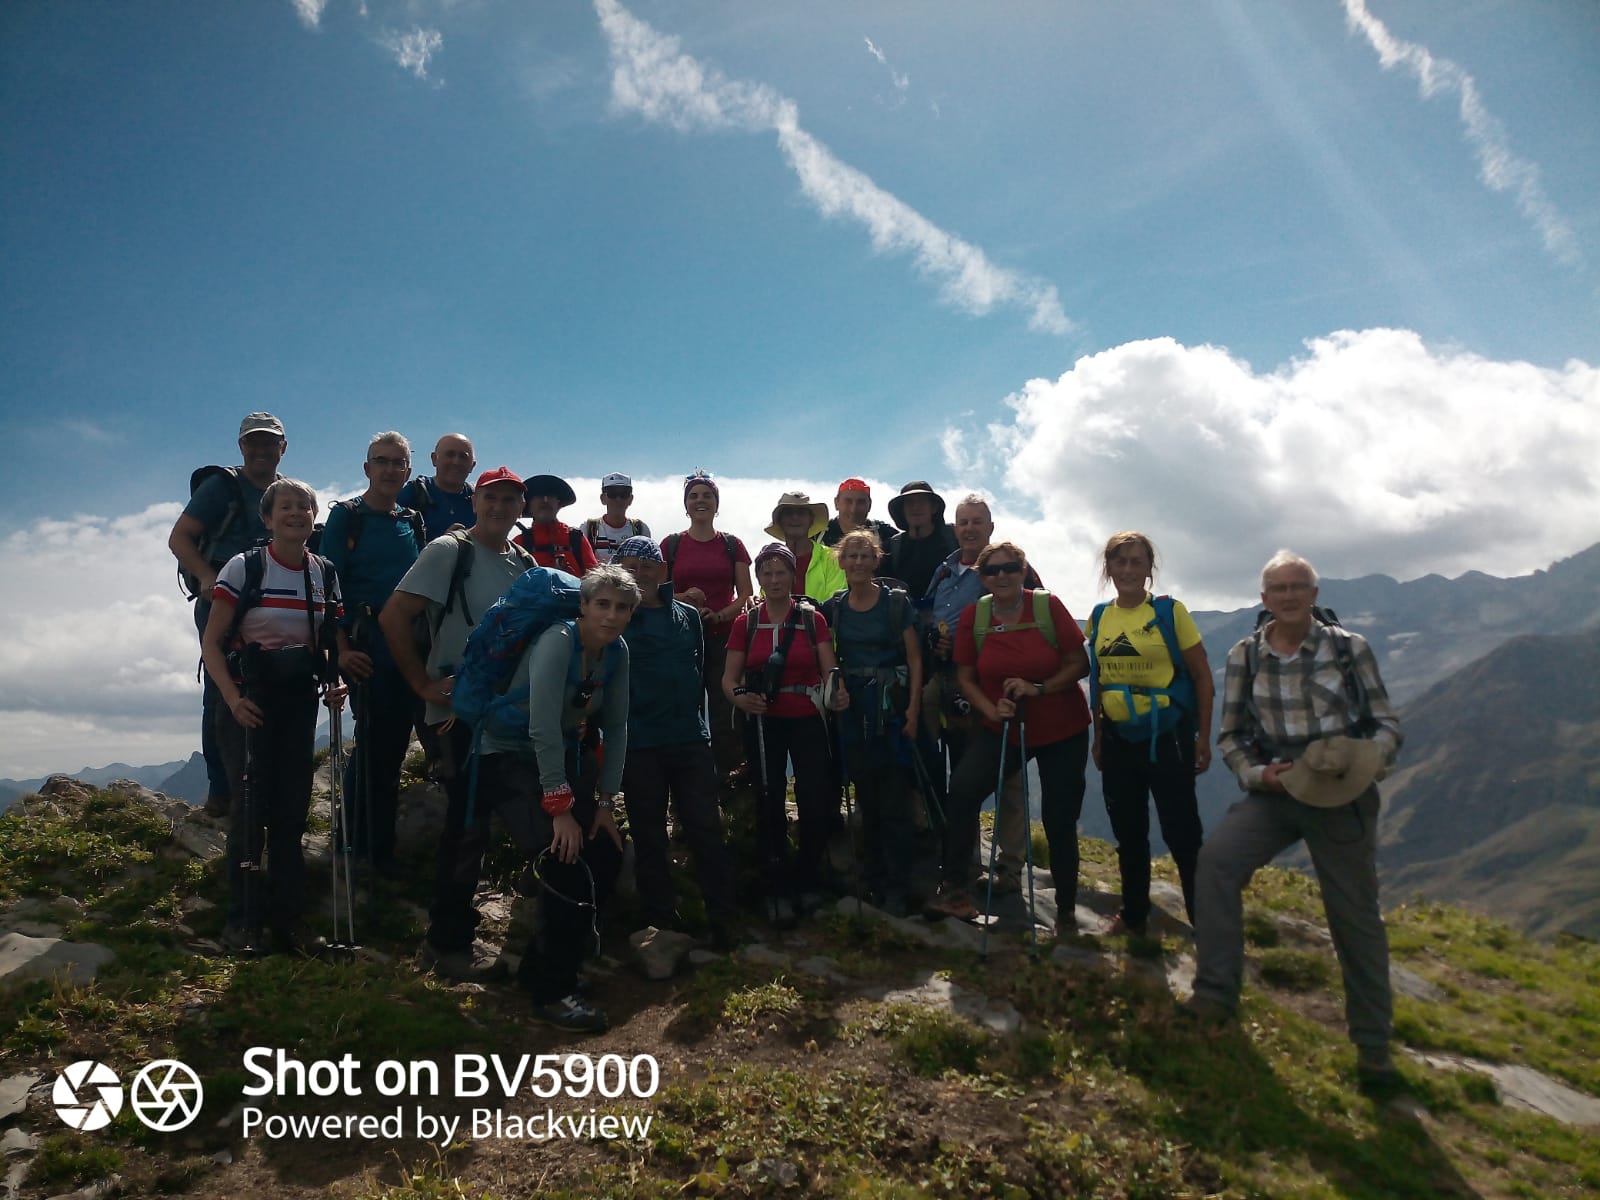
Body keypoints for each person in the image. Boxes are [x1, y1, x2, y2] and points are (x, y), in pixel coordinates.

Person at [1190, 551, 1404, 1086]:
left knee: (1353, 914)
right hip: (1278, 788)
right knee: (1216, 863)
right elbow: (1232, 736)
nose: (1287, 596)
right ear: (1263, 600)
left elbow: (1385, 725)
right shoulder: (1245, 656)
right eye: (1277, 589)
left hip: (1340, 792)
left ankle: (1373, 1048)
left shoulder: (1349, 649)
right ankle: (1215, 995)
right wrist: (1259, 776)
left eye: (1297, 587)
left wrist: (1363, 760)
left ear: (1313, 594)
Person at [380, 467, 536, 981]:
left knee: (491, 821)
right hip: (456, 715)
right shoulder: (450, 551)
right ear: (476, 501)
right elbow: (393, 616)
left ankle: (466, 931)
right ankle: (446, 944)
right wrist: (422, 687)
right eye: (492, 497)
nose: (500, 507)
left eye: (511, 499)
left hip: (507, 714)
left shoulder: (524, 562)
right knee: (466, 826)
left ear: (521, 507)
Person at [472, 564, 639, 1033]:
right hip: (505, 757)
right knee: (563, 857)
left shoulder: (616, 652)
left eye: (621, 608)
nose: (611, 615)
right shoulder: (558, 641)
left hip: (555, 760)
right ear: (582, 606)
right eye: (601, 604)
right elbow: (541, 723)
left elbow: (619, 726)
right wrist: (561, 809)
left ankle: (541, 968)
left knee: (604, 853)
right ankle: (553, 992)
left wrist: (605, 806)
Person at [201, 478, 352, 955]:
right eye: (285, 508)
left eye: (304, 508)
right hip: (247, 702)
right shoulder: (246, 567)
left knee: (291, 813)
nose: (296, 515)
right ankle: (242, 922)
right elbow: (211, 642)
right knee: (249, 812)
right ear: (267, 519)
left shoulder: (323, 572)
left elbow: (327, 640)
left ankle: (289, 922)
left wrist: (334, 681)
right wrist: (231, 698)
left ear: (313, 518)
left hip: (297, 702)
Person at [925, 542, 1090, 926]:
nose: (1002, 576)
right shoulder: (975, 616)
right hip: (1004, 726)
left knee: (1059, 817)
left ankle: (1065, 910)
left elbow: (1079, 662)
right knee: (963, 793)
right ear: (982, 578)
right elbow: (965, 676)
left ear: (1023, 569)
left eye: (1010, 567)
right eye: (993, 571)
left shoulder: (1047, 607)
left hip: (1062, 728)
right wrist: (990, 708)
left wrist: (1041, 688)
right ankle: (954, 891)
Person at [1088, 532, 1213, 935]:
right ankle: (1135, 914)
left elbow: (1201, 677)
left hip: (1167, 737)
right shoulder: (1100, 617)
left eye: (1136, 562)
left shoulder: (1170, 612)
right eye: (1119, 561)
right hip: (1118, 739)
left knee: (1183, 833)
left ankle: (1205, 922)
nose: (1127, 570)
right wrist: (1098, 736)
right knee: (1129, 832)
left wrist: (1203, 736)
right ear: (1108, 567)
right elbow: (1099, 680)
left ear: (1149, 569)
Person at [613, 536, 736, 947]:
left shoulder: (688, 616)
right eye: (629, 565)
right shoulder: (616, 618)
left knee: (706, 831)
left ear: (663, 572)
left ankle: (721, 922)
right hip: (638, 743)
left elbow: (700, 669)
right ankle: (660, 926)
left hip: (689, 739)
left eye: (647, 565)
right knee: (649, 837)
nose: (639, 572)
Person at [169, 411, 287, 817]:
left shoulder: (283, 492)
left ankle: (260, 785)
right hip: (222, 600)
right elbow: (179, 537)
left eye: (269, 442)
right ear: (241, 446)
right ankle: (222, 792)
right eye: (254, 441)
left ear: (282, 448)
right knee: (222, 691)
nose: (261, 449)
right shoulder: (223, 486)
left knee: (268, 687)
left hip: (271, 603)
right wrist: (206, 576)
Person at [723, 543, 846, 926]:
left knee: (815, 798)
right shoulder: (746, 622)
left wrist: (837, 694)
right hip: (762, 720)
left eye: (781, 573)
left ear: (793, 577)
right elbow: (729, 679)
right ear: (758, 578)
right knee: (768, 799)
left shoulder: (813, 620)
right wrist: (741, 700)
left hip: (807, 716)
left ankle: (806, 878)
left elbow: (830, 670)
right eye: (767, 573)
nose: (774, 580)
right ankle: (776, 884)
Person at [924, 495, 1043, 889]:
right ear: (954, 528)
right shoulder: (943, 571)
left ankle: (1010, 868)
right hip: (949, 683)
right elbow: (930, 615)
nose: (970, 528)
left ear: (990, 527)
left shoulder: (1007, 568)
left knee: (1006, 777)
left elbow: (1036, 615)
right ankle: (964, 859)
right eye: (963, 522)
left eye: (977, 521)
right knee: (959, 773)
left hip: (1000, 686)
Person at [321, 432, 425, 879]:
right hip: (365, 643)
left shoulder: (411, 520)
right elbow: (325, 586)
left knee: (391, 745)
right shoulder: (347, 517)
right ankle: (360, 848)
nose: (388, 469)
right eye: (380, 461)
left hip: (406, 643)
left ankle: (372, 846)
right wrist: (341, 650)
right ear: (367, 469)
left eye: (397, 462)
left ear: (408, 470)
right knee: (375, 746)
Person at [823, 529, 923, 916]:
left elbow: (915, 659)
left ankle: (897, 886)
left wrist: (913, 710)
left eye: (866, 556)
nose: (859, 562)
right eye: (853, 556)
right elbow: (829, 653)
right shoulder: (836, 607)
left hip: (892, 708)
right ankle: (875, 878)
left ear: (876, 560)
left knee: (895, 797)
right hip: (855, 711)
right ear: (842, 562)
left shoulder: (896, 604)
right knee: (866, 795)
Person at [662, 470, 754, 786]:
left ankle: (729, 778)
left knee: (725, 710)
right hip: (681, 639)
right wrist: (685, 598)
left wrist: (719, 614)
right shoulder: (671, 545)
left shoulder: (732, 545)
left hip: (724, 637)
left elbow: (745, 593)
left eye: (707, 495)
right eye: (694, 496)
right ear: (685, 505)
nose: (700, 501)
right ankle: (690, 782)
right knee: (685, 710)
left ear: (717, 503)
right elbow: (656, 594)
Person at [764, 490, 847, 604]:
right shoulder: (770, 559)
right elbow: (766, 600)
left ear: (811, 520)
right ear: (780, 521)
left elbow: (836, 602)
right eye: (788, 513)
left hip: (822, 622)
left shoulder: (832, 558)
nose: (795, 517)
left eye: (801, 512)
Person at [883, 481, 956, 601]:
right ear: (902, 510)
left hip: (949, 616)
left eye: (922, 502)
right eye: (910, 503)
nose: (916, 507)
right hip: (903, 617)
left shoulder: (953, 539)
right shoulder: (890, 549)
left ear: (934, 508)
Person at [398, 433, 476, 542]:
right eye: (450, 454)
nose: (456, 462)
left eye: (463, 457)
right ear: (434, 459)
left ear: (472, 465)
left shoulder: (478, 500)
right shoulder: (414, 493)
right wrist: (443, 545)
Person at [516, 474, 598, 576]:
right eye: (539, 496)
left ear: (558, 503)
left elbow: (596, 581)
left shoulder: (576, 538)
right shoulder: (519, 544)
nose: (545, 500)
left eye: (550, 496)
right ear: (528, 505)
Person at [583, 472, 652, 564]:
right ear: (603, 498)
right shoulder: (588, 528)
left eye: (624, 494)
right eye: (612, 494)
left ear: (630, 499)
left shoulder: (641, 529)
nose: (618, 499)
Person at [820, 478, 898, 550]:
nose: (853, 509)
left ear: (869, 505)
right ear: (836, 503)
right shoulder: (818, 535)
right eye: (848, 501)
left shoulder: (886, 535)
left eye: (860, 502)